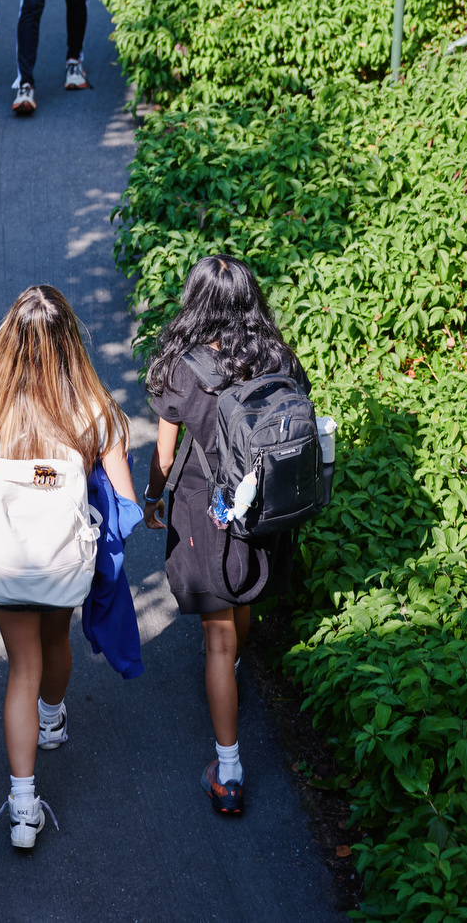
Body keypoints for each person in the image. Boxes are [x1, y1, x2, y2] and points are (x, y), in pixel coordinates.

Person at [0, 286, 136, 847]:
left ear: (10, 341)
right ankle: (53, 718)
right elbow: (126, 507)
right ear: (69, 344)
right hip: (64, 564)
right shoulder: (92, 409)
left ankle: (22, 807)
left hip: (8, 561)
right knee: (55, 642)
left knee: (21, 667)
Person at [141, 256, 312, 815]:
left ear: (196, 301)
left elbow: (164, 456)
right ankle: (234, 666)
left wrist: (151, 500)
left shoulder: (182, 367)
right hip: (264, 506)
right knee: (240, 607)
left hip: (207, 511)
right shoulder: (277, 355)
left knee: (216, 638)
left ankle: (229, 770)